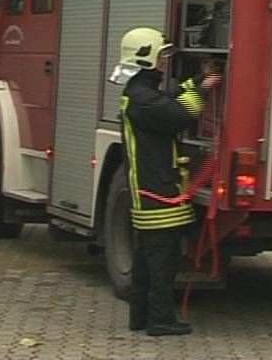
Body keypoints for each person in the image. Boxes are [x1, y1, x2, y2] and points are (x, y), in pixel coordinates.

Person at [114, 26, 217, 336]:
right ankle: (160, 320)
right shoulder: (142, 99)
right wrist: (204, 89)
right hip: (155, 191)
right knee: (162, 260)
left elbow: (169, 99)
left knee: (146, 258)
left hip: (152, 188)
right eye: (161, 57)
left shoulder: (141, 92)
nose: (164, 62)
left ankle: (140, 317)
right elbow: (179, 115)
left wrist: (197, 80)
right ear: (145, 58)